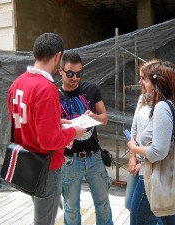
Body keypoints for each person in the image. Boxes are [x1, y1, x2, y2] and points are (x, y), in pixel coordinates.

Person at [7, 33, 86, 225]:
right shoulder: (46, 88)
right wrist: (74, 131)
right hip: (47, 166)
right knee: (45, 221)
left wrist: (55, 122)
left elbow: (25, 120)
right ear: (58, 56)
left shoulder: (17, 83)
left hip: (29, 161)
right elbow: (48, 141)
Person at [127, 60, 175, 225]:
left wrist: (134, 148)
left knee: (138, 220)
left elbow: (158, 151)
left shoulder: (162, 106)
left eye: (146, 80)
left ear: (157, 83)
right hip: (173, 177)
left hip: (155, 176)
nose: (142, 83)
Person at [58, 51, 113, 225]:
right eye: (70, 74)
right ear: (60, 71)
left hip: (94, 157)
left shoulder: (91, 89)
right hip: (69, 159)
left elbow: (104, 118)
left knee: (103, 204)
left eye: (79, 73)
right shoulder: (53, 94)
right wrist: (59, 123)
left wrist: (92, 116)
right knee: (71, 207)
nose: (75, 78)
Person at [125, 59, 160, 211]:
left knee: (146, 210)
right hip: (138, 160)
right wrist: (132, 157)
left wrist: (142, 163)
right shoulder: (142, 98)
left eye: (143, 79)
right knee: (129, 204)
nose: (140, 82)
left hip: (151, 165)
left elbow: (159, 143)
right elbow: (134, 129)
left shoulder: (163, 105)